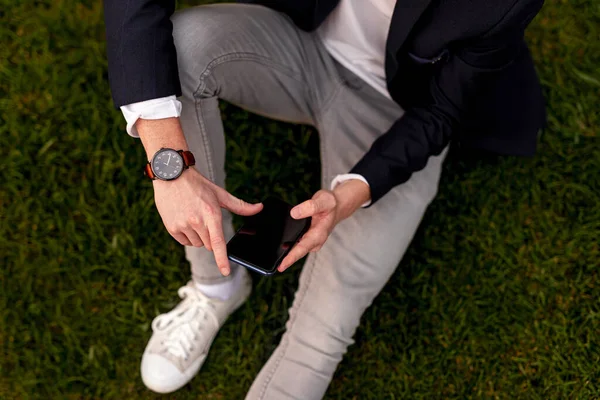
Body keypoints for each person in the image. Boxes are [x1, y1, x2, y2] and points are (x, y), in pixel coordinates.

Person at [103, 0, 546, 398]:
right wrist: (170, 162)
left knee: (319, 334)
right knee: (185, 46)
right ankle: (217, 287)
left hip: (400, 110)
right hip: (301, 40)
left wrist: (355, 191)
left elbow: (441, 111)